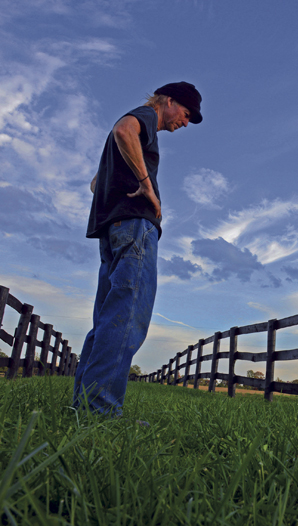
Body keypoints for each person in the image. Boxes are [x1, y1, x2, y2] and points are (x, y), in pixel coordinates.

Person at [73, 82, 203, 416]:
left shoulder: (138, 129)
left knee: (106, 319)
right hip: (134, 227)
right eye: (186, 114)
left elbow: (95, 182)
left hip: (112, 228)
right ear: (169, 102)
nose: (186, 123)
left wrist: (119, 183)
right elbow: (123, 130)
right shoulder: (144, 116)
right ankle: (100, 411)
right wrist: (147, 187)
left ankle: (84, 407)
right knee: (128, 317)